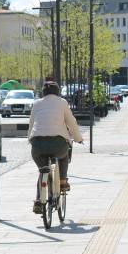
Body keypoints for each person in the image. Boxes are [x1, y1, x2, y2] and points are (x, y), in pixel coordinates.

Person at [29, 82, 83, 212]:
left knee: (43, 170)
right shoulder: (62, 102)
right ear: (58, 92)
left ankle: (38, 200)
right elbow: (71, 122)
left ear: (43, 92)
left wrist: (30, 140)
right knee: (64, 156)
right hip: (58, 144)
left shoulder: (36, 103)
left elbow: (31, 124)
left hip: (37, 145)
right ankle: (63, 181)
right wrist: (78, 138)